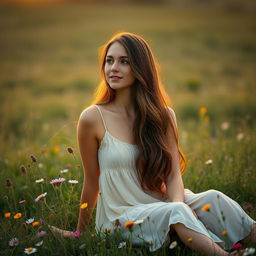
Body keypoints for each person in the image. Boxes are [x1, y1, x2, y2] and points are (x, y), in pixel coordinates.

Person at [50, 32, 256, 255]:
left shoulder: (164, 115)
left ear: (141, 68)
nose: (113, 68)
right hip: (122, 217)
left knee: (214, 198)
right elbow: (91, 180)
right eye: (109, 60)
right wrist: (80, 231)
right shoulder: (92, 118)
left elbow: (173, 174)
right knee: (175, 211)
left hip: (161, 201)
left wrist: (178, 205)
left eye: (124, 61)